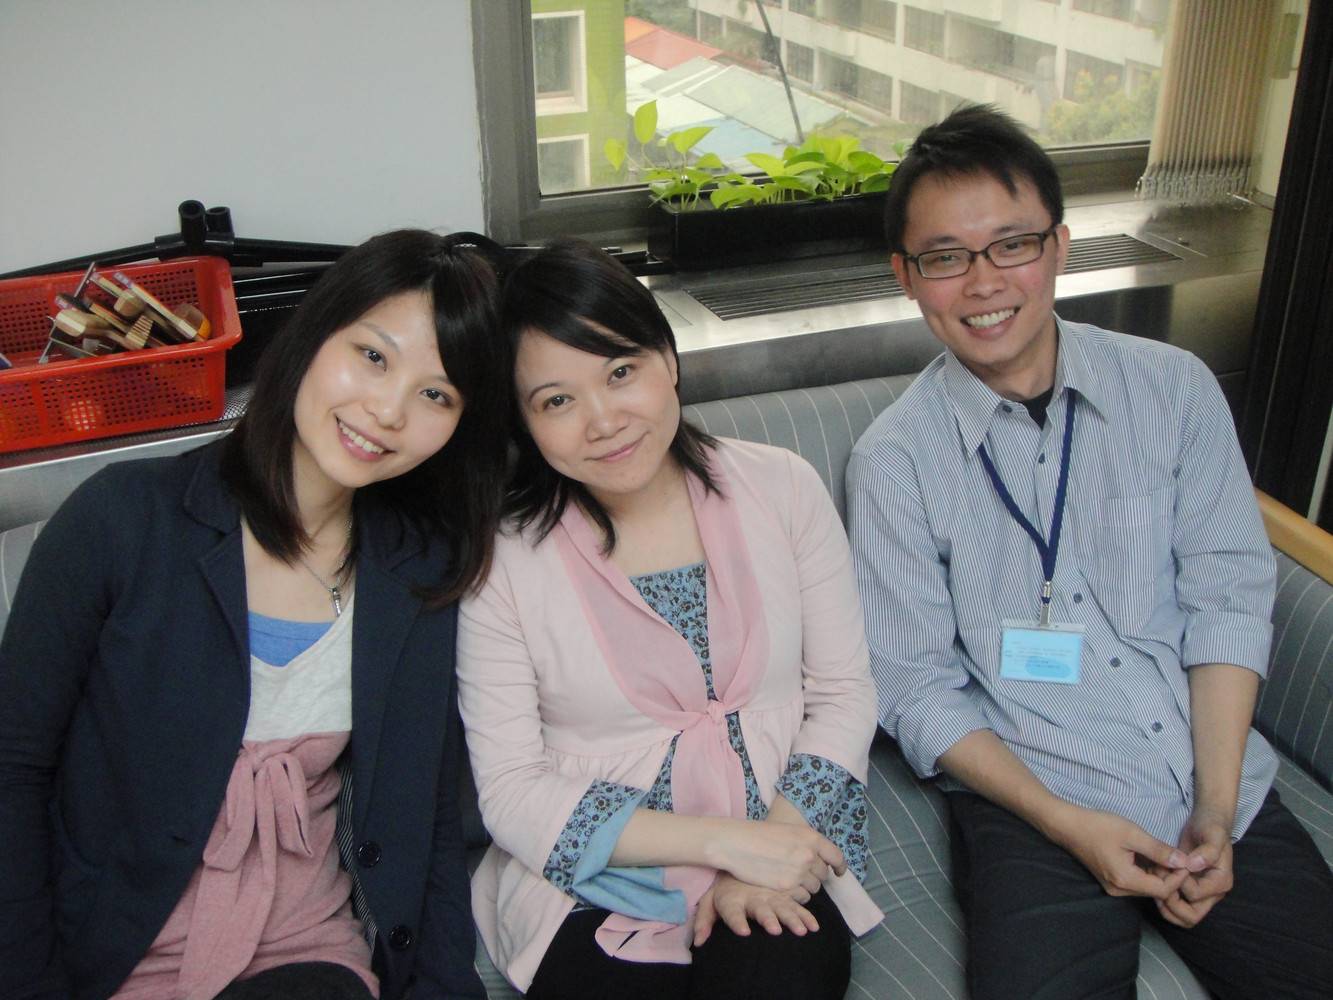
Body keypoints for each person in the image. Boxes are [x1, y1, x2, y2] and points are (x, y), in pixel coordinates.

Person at [846, 103, 1333, 999]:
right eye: (945, 257)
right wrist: (1067, 824)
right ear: (906, 278)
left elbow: (1227, 599)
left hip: (1202, 762)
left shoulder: (1172, 389)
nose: (983, 282)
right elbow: (913, 687)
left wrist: (1215, 806)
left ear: (1059, 248)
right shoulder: (894, 462)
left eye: (1011, 245)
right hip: (1031, 795)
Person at [0, 229, 509, 1000]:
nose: (387, 410)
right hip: (112, 952)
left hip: (306, 952)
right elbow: (12, 767)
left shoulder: (420, 570)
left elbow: (427, 815)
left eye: (435, 395)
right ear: (312, 334)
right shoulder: (120, 521)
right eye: (373, 356)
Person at [456, 238, 883, 1000]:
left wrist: (773, 846)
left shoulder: (783, 489)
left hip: (781, 839)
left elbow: (843, 692)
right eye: (556, 401)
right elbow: (512, 789)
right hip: (593, 878)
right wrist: (723, 843)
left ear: (668, 358)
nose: (602, 420)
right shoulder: (501, 562)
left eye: (621, 372)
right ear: (522, 421)